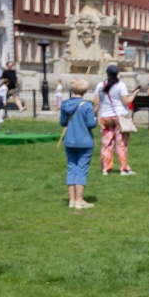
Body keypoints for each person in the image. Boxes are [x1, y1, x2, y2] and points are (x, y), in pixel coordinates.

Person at [60, 78, 98, 209]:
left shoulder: (65, 104)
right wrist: (96, 118)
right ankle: (79, 200)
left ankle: (72, 200)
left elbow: (62, 122)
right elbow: (90, 124)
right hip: (85, 141)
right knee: (81, 170)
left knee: (71, 168)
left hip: (69, 140)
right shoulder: (87, 105)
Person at [96, 65, 134, 175]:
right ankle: (124, 168)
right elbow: (126, 102)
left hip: (105, 116)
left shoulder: (100, 85)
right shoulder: (121, 85)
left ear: (107, 74)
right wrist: (134, 95)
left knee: (106, 144)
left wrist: (95, 116)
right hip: (119, 117)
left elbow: (97, 102)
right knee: (121, 143)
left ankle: (106, 168)